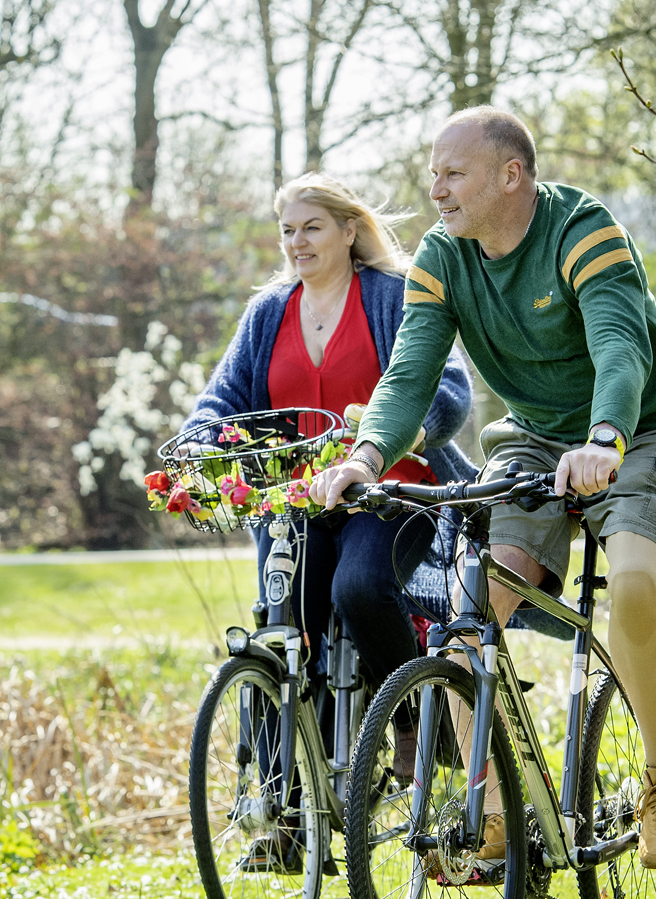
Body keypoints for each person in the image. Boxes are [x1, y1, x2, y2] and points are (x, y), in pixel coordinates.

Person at [309, 108, 656, 872]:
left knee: (629, 585)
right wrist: (365, 456)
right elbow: (410, 372)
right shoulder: (442, 256)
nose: (436, 190)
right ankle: (496, 814)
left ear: (510, 175)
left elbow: (619, 347)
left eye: (451, 173)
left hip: (642, 427)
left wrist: (604, 439)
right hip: (531, 437)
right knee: (467, 622)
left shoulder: (582, 230)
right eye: (433, 174)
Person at [183, 173, 476, 788]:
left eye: (312, 227)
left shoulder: (392, 295)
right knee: (279, 629)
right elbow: (225, 397)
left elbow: (446, 388)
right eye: (288, 230)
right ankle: (276, 812)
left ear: (349, 230)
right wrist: (200, 444)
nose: (298, 242)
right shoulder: (269, 312)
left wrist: (402, 436)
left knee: (359, 588)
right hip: (295, 502)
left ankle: (412, 715)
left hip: (389, 491)